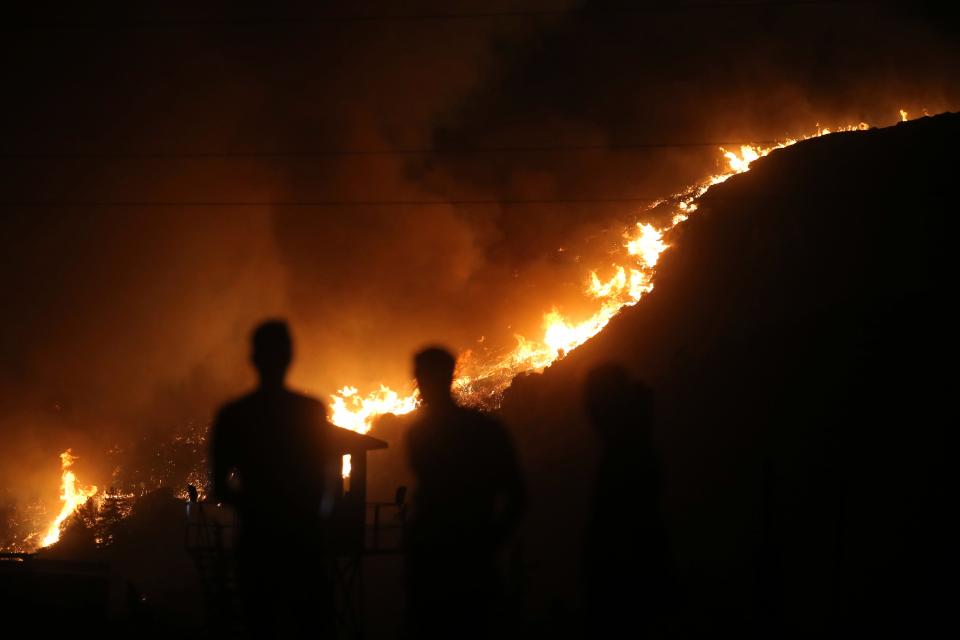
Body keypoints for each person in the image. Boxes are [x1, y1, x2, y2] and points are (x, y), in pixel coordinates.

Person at [210, 320, 337, 636]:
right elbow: (328, 475)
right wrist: (312, 512)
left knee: (261, 625)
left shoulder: (234, 415)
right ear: (291, 357)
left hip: (257, 545)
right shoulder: (311, 411)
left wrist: (255, 506)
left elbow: (220, 487)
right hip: (303, 543)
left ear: (252, 358)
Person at [404, 346, 526, 639]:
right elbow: (517, 494)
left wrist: (487, 540)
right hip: (446, 561)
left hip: (457, 562)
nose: (422, 383)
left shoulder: (424, 433)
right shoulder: (479, 429)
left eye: (424, 376)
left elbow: (517, 493)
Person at [581, 363, 673, 636]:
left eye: (593, 401)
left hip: (627, 585)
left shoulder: (624, 459)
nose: (588, 411)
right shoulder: (636, 446)